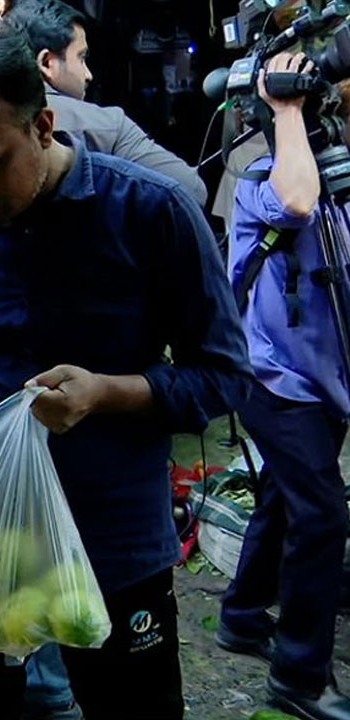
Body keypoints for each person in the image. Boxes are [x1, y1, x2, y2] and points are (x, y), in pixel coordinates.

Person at [0, 22, 252, 720]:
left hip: (114, 548)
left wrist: (108, 394)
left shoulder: (150, 213)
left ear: (44, 125)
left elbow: (224, 378)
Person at [219, 52, 350, 720]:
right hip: (272, 379)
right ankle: (299, 675)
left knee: (283, 496)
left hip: (325, 381)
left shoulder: (339, 185)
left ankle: (242, 615)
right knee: (323, 513)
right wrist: (287, 107)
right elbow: (297, 202)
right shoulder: (259, 185)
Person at [4, 0, 208, 206]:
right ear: (47, 63)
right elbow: (190, 190)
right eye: (81, 58)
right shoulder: (107, 127)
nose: (88, 75)